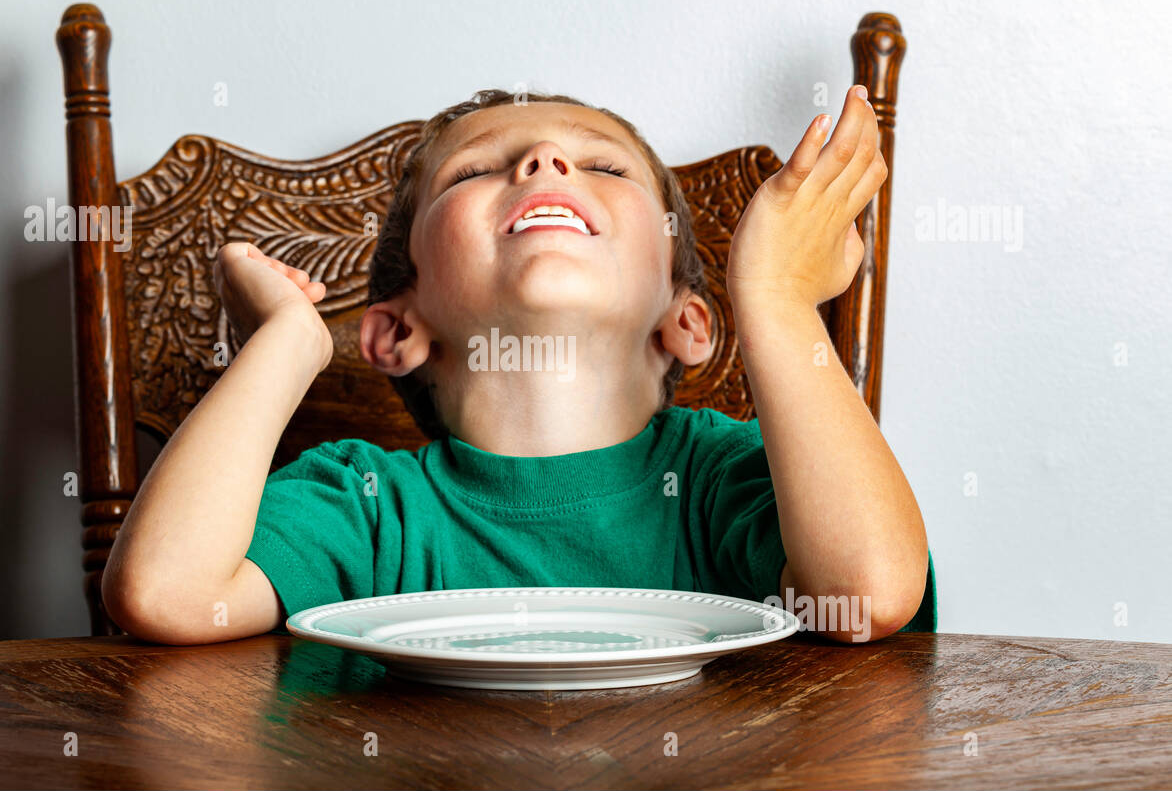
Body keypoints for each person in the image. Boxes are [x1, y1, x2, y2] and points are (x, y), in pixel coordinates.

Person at [101, 86, 936, 646]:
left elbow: (867, 592)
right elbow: (165, 593)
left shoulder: (724, 481)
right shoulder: (367, 507)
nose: (543, 160)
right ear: (395, 331)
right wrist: (287, 339)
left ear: (687, 322)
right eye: (477, 169)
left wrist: (780, 298)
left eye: (605, 166)